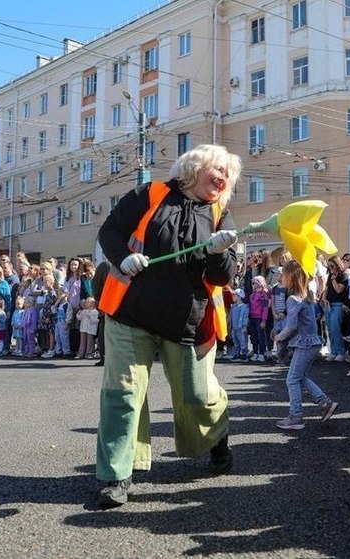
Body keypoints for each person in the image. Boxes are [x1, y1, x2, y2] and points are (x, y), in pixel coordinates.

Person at [95, 144, 240, 507]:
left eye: (228, 173)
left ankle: (217, 437)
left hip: (189, 319)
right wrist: (124, 258)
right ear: (195, 167)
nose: (223, 177)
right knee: (123, 393)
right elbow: (109, 232)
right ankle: (118, 474)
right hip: (132, 313)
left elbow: (223, 277)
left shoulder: (222, 213)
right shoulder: (151, 193)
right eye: (217, 168)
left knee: (197, 396)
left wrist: (220, 252)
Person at [274, 261, 338, 430]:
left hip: (304, 344)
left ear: (291, 277)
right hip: (312, 343)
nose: (281, 277)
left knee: (292, 380)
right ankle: (324, 402)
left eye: (284, 274)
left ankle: (296, 416)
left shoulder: (293, 299)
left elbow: (292, 326)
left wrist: (280, 336)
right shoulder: (307, 295)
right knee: (300, 377)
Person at [321, 255, 349, 361]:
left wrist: (333, 279)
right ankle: (333, 351)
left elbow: (338, 290)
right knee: (330, 329)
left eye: (332, 266)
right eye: (329, 266)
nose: (330, 268)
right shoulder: (330, 276)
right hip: (328, 304)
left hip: (338, 304)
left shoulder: (343, 276)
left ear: (338, 265)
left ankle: (340, 351)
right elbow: (326, 288)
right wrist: (324, 299)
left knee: (336, 328)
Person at [247, 275, 270, 362]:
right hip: (252, 317)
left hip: (259, 318)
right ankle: (255, 353)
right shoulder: (252, 295)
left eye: (255, 283)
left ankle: (262, 353)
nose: (253, 285)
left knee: (261, 336)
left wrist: (264, 320)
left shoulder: (264, 294)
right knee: (254, 336)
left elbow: (265, 308)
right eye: (252, 283)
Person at [51, 288, 73, 357]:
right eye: (58, 294)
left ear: (66, 295)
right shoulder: (59, 304)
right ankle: (59, 351)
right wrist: (57, 302)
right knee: (57, 337)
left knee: (64, 337)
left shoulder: (67, 305)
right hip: (58, 322)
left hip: (64, 323)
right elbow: (53, 310)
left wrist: (67, 323)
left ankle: (66, 351)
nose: (59, 296)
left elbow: (69, 314)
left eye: (61, 294)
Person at [229, 288, 249, 361]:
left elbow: (245, 317)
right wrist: (230, 326)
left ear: (240, 297)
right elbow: (231, 317)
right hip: (234, 327)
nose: (233, 296)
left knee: (243, 340)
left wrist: (244, 326)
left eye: (235, 295)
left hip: (240, 328)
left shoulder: (244, 307)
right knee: (235, 341)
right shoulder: (233, 307)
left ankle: (244, 354)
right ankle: (237, 353)